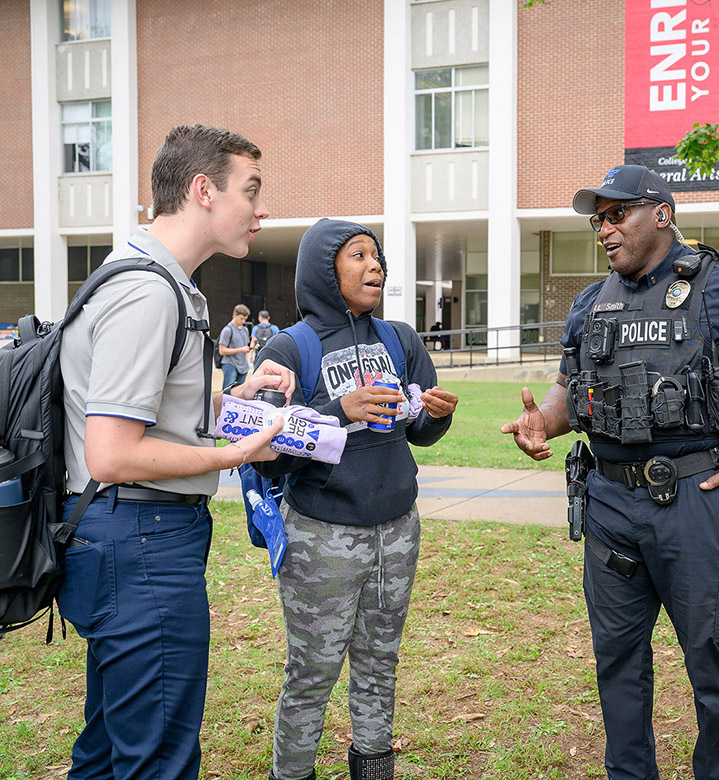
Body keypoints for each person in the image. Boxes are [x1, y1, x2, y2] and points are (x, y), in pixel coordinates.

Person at [502, 165, 719, 780]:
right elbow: (572, 392)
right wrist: (545, 420)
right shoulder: (591, 304)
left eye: (617, 214)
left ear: (662, 213)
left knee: (711, 659)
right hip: (611, 507)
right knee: (617, 658)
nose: (605, 229)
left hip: (697, 501)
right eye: (598, 219)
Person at [57, 124, 293, 780]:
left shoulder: (162, 281)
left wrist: (234, 399)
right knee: (156, 760)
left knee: (108, 750)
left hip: (129, 538)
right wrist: (235, 454)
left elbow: (146, 410)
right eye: (252, 190)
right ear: (202, 191)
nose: (262, 208)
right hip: (139, 542)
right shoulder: (146, 292)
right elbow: (111, 453)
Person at [254, 219, 458, 780]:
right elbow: (266, 449)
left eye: (378, 256)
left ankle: (373, 768)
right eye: (358, 256)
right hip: (321, 536)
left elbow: (418, 433)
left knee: (379, 663)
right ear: (325, 269)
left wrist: (437, 416)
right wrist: (340, 412)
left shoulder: (400, 339)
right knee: (312, 673)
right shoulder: (289, 347)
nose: (376, 266)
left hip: (397, 531)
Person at [218, 303, 252, 389]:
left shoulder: (245, 330)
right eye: (241, 319)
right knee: (228, 393)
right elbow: (221, 351)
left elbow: (245, 346)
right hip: (230, 364)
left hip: (243, 366)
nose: (243, 321)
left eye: (245, 319)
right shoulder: (227, 330)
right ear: (235, 315)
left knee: (240, 393)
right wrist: (240, 349)